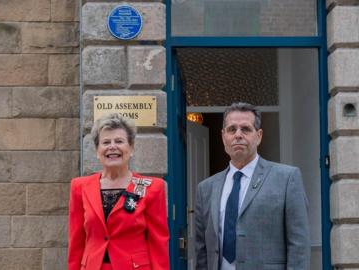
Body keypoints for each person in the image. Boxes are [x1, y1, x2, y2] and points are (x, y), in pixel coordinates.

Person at [194, 102, 310, 270]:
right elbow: (201, 248)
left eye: (246, 129)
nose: (238, 135)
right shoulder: (206, 188)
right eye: (232, 129)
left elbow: (299, 244)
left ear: (259, 136)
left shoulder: (286, 179)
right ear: (223, 136)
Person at [68, 113, 170, 270]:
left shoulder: (152, 188)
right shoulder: (79, 187)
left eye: (119, 141)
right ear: (97, 150)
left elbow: (158, 243)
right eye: (106, 142)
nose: (112, 146)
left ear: (131, 148)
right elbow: (76, 241)